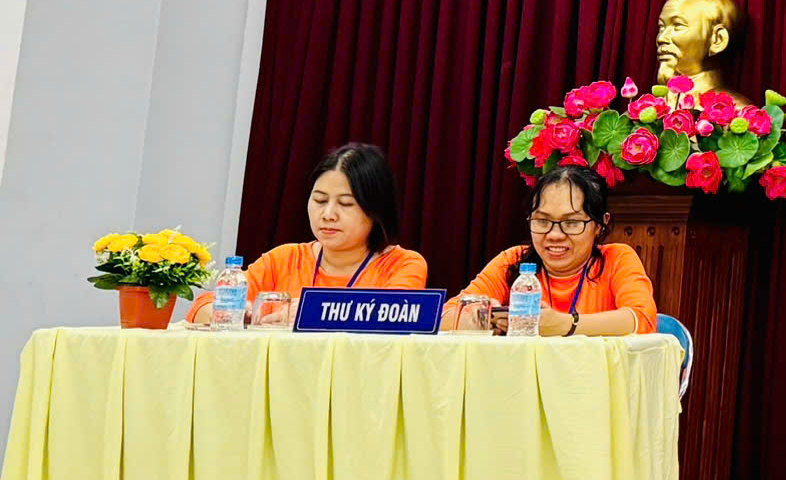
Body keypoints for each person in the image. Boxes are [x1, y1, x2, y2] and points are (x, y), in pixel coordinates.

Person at [190, 141, 429, 321]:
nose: (328, 214)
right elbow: (202, 306)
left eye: (346, 204)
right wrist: (229, 313)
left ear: (376, 210)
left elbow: (391, 316)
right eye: (320, 200)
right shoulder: (283, 259)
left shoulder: (402, 264)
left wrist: (309, 312)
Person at [445, 162, 658, 336]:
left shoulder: (616, 258)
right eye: (543, 221)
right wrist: (483, 319)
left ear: (600, 225)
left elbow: (643, 319)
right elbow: (444, 316)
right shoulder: (513, 260)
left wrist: (565, 325)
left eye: (571, 223)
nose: (554, 235)